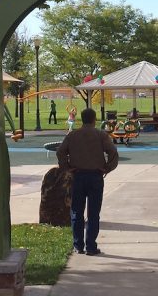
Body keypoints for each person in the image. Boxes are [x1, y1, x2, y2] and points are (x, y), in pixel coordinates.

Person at [56, 107, 118, 256]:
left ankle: (78, 245)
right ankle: (91, 246)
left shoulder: (73, 135)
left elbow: (60, 152)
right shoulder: (101, 135)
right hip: (95, 176)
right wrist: (107, 167)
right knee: (93, 212)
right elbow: (113, 152)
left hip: (77, 176)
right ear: (94, 119)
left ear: (81, 119)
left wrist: (67, 167)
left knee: (77, 211)